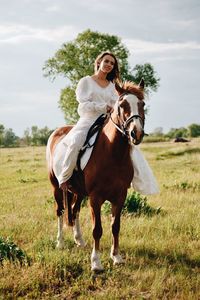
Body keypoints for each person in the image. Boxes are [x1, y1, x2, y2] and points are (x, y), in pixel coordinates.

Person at [53, 51, 159, 194]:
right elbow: (82, 106)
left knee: (130, 146)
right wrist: (102, 107)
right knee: (76, 141)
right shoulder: (86, 81)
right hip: (88, 120)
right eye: (107, 61)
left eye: (112, 63)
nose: (109, 64)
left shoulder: (112, 86)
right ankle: (65, 178)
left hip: (108, 121)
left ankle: (138, 182)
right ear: (99, 62)